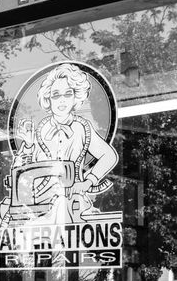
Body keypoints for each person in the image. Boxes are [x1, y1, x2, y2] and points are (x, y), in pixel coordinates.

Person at [13, 62, 118, 223]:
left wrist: (88, 181)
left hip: (73, 198)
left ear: (76, 96)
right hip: (42, 200)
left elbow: (109, 156)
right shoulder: (40, 129)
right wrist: (28, 145)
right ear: (48, 98)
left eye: (68, 94)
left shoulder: (82, 128)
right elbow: (21, 172)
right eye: (55, 95)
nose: (61, 100)